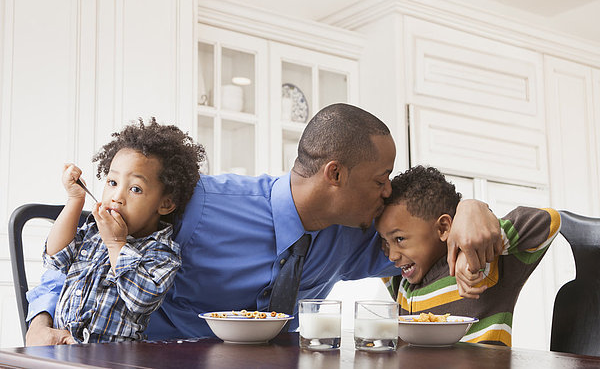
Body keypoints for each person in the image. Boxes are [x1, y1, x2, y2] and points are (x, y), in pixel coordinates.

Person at [26, 104, 502, 345]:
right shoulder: (198, 204)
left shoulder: (357, 236)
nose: (386, 191)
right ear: (335, 175)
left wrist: (470, 207)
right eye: (380, 179)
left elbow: (426, 238)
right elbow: (84, 251)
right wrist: (40, 320)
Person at [41, 118, 204, 343]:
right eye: (112, 182)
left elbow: (142, 299)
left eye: (135, 189)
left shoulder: (161, 252)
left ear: (165, 204)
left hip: (114, 359)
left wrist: (116, 244)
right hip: (62, 351)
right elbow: (56, 258)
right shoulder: (93, 233)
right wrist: (74, 200)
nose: (117, 197)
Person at [377, 165, 561, 346]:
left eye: (399, 238)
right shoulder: (401, 284)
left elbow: (550, 220)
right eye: (385, 242)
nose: (392, 255)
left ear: (443, 228)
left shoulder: (484, 265)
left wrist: (471, 247)